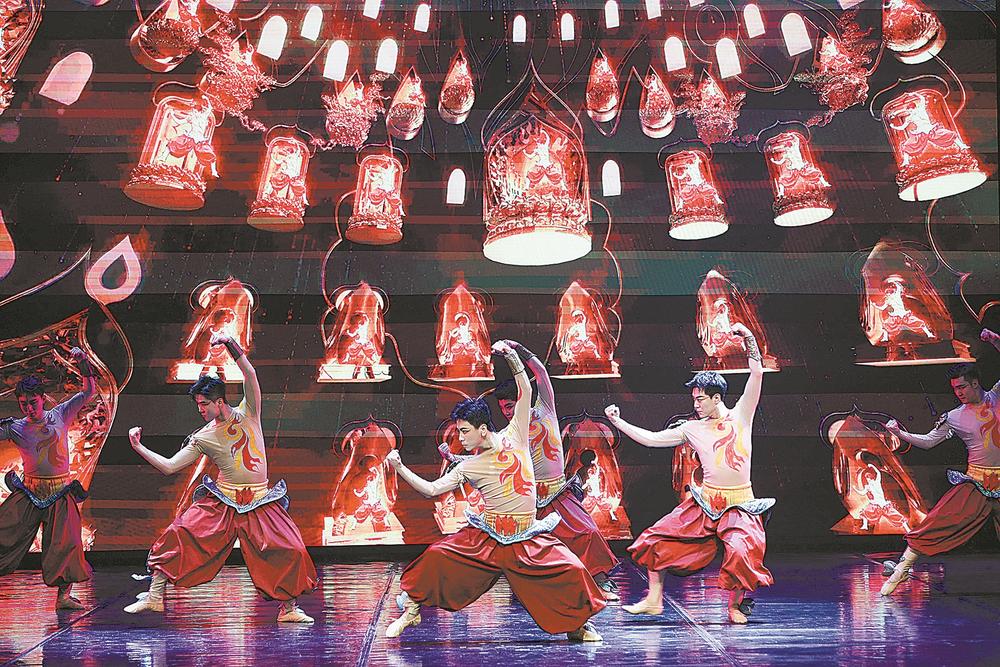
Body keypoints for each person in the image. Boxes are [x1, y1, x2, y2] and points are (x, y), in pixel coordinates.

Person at [384, 340, 605, 641]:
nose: (461, 438)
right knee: (436, 556)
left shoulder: (516, 433)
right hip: (487, 538)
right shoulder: (470, 466)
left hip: (525, 536)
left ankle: (577, 626)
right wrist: (400, 468)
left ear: (483, 429)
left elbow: (525, 389)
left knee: (572, 569)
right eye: (459, 431)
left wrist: (511, 355)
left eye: (465, 431)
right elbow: (431, 489)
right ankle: (411, 609)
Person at [124, 333, 317, 622]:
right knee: (180, 534)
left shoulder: (249, 412)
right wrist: (139, 447)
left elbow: (250, 374)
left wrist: (229, 344)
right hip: (223, 502)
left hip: (260, 500)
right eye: (198, 405)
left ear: (220, 401)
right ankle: (154, 596)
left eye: (204, 404)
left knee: (291, 548)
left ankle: (288, 609)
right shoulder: (203, 437)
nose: (200, 410)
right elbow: (170, 466)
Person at [605, 324, 774, 624]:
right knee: (656, 538)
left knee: (741, 551)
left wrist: (748, 338)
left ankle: (735, 606)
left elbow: (757, 373)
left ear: (717, 398)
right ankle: (653, 599)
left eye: (700, 399)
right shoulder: (691, 428)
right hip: (706, 503)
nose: (695, 404)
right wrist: (618, 422)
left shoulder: (741, 415)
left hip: (740, 504)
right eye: (694, 399)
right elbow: (652, 439)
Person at [492, 341, 619, 600]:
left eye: (510, 406)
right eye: (503, 408)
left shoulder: (544, 410)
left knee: (587, 532)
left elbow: (540, 372)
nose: (506, 412)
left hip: (558, 494)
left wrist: (517, 349)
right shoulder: (506, 434)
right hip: (528, 500)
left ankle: (599, 581)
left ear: (522, 398)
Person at [880, 329, 1000, 595]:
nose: (958, 393)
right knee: (939, 522)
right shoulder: (955, 417)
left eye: (962, 387)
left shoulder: (997, 396)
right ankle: (901, 569)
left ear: (975, 383)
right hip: (978, 483)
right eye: (955, 389)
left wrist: (995, 341)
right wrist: (900, 433)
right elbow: (929, 441)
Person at [0, 348, 97, 610]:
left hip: (59, 492)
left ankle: (63, 597)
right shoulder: (16, 427)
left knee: (67, 545)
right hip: (30, 492)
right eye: (23, 404)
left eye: (33, 402)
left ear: (43, 399)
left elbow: (88, 392)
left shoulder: (60, 415)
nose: (29, 408)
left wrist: (83, 362)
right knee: (4, 533)